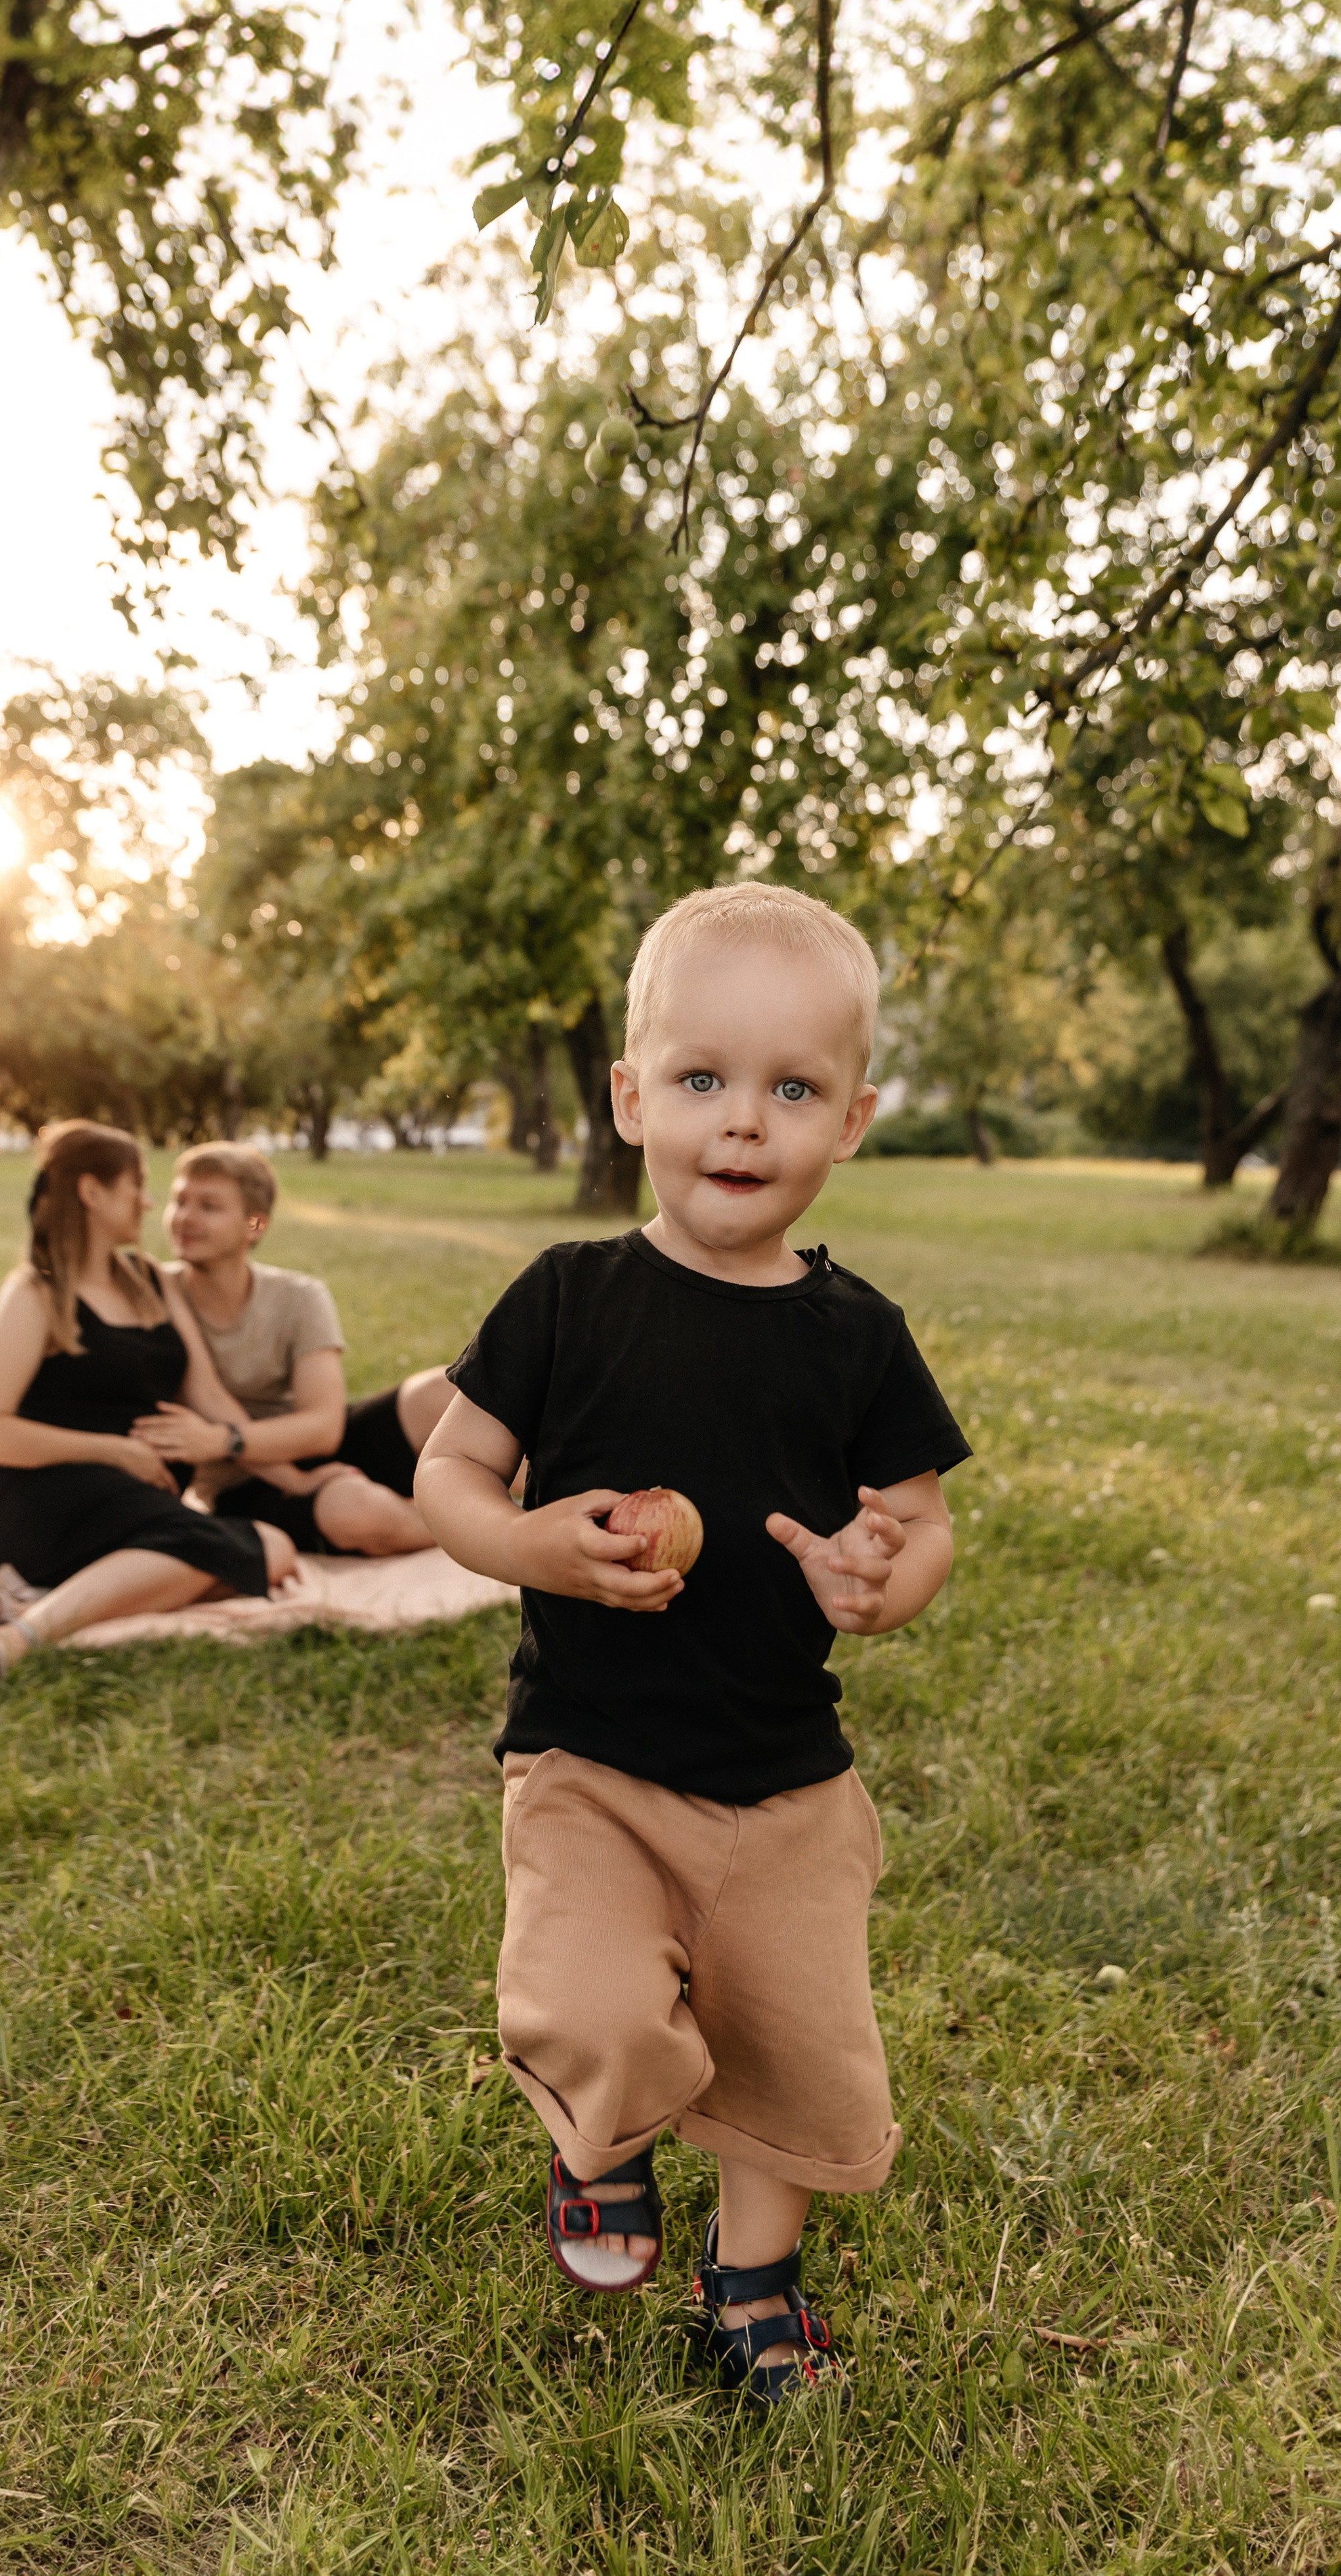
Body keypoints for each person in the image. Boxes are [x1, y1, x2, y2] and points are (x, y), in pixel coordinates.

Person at [414, 882, 970, 2409]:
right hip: (591, 1755)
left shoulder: (857, 1337)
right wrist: (530, 1545)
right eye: (701, 1081)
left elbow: (916, 1525)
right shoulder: (566, 1300)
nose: (741, 1125)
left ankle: (753, 2282)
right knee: (588, 2003)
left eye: (790, 1090)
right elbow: (447, 1477)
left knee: (788, 2045)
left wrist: (883, 1578)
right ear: (629, 1095)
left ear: (850, 1120)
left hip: (784, 1780)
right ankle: (599, 2141)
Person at [0, 1121, 305, 1683]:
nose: (149, 1203)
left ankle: (32, 1602)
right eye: (137, 1186)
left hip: (132, 1504)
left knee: (271, 1550)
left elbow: (211, 1397)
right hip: (42, 1499)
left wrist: (296, 1480)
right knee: (240, 1551)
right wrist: (114, 1452)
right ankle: (10, 1645)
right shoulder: (37, 1293)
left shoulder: (150, 1281)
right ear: (93, 1193)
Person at [140, 1141, 454, 1558]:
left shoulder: (299, 1297)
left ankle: (553, 1494)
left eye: (208, 1206)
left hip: (295, 1446)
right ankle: (488, 1527)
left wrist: (221, 1439)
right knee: (357, 1512)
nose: (185, 1218)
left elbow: (324, 1429)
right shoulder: (153, 1295)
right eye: (179, 1201)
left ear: (255, 1224)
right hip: (241, 1484)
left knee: (443, 1392)